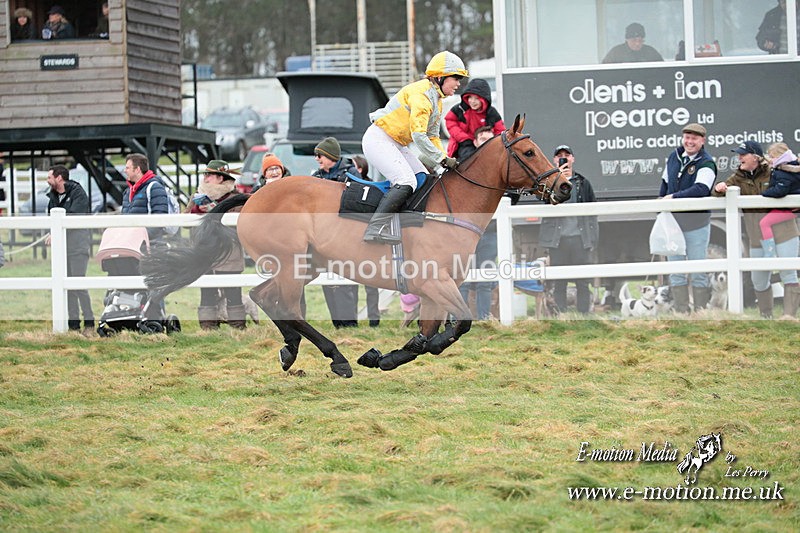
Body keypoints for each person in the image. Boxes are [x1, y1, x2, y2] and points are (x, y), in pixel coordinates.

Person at [361, 50, 467, 244]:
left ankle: (406, 221)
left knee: (422, 178)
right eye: (456, 78)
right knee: (406, 181)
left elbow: (433, 135)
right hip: (378, 139)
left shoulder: (437, 99)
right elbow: (419, 135)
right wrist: (442, 159)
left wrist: (444, 159)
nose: (458, 84)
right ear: (440, 77)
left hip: (394, 142)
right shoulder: (422, 96)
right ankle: (374, 228)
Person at [711, 141, 780, 318]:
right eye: (739, 154)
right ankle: (767, 316)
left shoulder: (774, 172)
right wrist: (720, 188)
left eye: (743, 154)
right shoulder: (738, 177)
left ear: (755, 157)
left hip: (780, 232)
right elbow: (718, 192)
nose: (739, 157)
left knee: (789, 273)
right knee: (758, 279)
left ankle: (789, 318)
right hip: (756, 236)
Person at [659, 123, 717, 313]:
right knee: (676, 272)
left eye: (694, 138)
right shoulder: (673, 157)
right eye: (687, 137)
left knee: (698, 271)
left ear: (702, 141)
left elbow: (701, 189)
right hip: (673, 225)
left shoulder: (707, 162)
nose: (689, 142)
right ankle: (682, 313)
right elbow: (665, 184)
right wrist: (661, 207)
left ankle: (700, 313)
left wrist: (674, 197)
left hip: (696, 224)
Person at [187, 160, 248, 329]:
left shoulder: (236, 199)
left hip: (229, 253)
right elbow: (184, 221)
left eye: (210, 175)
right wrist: (197, 212)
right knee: (206, 292)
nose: (205, 178)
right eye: (205, 174)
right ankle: (207, 328)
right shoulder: (197, 197)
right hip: (204, 253)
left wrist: (215, 212)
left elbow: (239, 226)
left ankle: (238, 327)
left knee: (233, 293)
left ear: (221, 178)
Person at [538, 145, 598, 315]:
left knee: (583, 282)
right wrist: (557, 179)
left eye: (567, 155)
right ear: (554, 160)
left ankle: (584, 318)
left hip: (580, 239)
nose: (563, 158)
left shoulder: (583, 183)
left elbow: (594, 212)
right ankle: (561, 317)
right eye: (559, 156)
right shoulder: (548, 181)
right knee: (560, 282)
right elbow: (543, 201)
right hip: (558, 241)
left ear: (573, 159)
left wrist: (592, 239)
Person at [312, 137, 360, 328]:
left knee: (345, 279)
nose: (317, 159)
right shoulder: (316, 176)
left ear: (331, 156)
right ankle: (337, 323)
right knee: (328, 281)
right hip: (322, 237)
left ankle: (349, 324)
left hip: (344, 236)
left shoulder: (351, 174)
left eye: (320, 155)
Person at [456, 126, 500, 319]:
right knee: (462, 278)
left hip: (490, 232)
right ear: (475, 142)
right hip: (465, 233)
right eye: (483, 139)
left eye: (491, 139)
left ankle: (483, 319)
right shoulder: (465, 167)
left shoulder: (502, 169)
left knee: (485, 278)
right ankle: (460, 320)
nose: (487, 143)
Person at [46, 165, 95, 333]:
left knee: (79, 284)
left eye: (50, 177)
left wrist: (57, 233)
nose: (48, 180)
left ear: (59, 178)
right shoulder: (52, 196)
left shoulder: (78, 194)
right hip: (62, 248)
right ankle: (73, 325)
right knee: (67, 288)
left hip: (77, 246)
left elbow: (75, 217)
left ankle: (89, 323)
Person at [121, 153, 169, 320]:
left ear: (137, 169)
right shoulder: (128, 191)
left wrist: (140, 237)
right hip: (132, 247)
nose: (124, 171)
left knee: (153, 285)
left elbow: (159, 218)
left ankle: (157, 320)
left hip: (152, 246)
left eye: (127, 167)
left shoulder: (154, 187)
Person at [759, 143, 800, 318]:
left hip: (788, 210)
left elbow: (781, 189)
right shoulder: (789, 168)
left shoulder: (784, 170)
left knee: (764, 223)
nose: (770, 159)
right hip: (790, 210)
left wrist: (765, 194)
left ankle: (770, 255)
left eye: (772, 156)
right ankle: (788, 314)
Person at [444, 78, 505, 161]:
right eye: (470, 97)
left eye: (476, 98)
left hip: (486, 144)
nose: (472, 101)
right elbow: (450, 122)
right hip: (464, 144)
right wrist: (463, 138)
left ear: (484, 99)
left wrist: (494, 142)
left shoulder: (491, 112)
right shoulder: (460, 109)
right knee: (468, 160)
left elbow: (500, 131)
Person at [352, 155, 381, 327]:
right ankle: (353, 318)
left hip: (370, 241)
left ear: (360, 169)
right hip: (355, 240)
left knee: (372, 285)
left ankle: (374, 319)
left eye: (354, 166)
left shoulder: (371, 187)